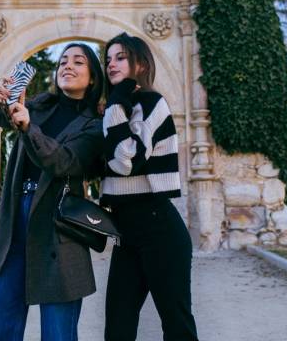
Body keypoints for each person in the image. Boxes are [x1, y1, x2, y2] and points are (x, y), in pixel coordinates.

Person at [0, 43, 104, 341]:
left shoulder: (95, 127)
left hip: (60, 229)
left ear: (93, 77)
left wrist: (29, 128)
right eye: (63, 61)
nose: (67, 66)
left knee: (58, 334)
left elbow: (64, 162)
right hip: (15, 221)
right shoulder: (38, 105)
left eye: (78, 62)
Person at [101, 32, 198, 341]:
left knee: (176, 323)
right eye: (108, 60)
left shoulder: (151, 103)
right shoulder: (115, 108)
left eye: (120, 57)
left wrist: (116, 104)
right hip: (123, 230)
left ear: (140, 63)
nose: (111, 64)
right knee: (117, 326)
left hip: (159, 227)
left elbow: (126, 161)